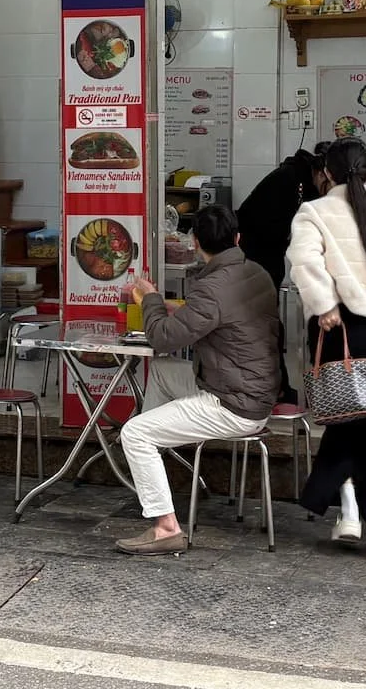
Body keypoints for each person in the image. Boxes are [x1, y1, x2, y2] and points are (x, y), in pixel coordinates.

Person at [111, 205, 282, 555]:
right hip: (255, 389)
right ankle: (152, 468)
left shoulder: (211, 287)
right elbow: (217, 318)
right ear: (237, 238)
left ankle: (165, 526)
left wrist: (150, 298)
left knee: (135, 432)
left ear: (195, 243)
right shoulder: (257, 273)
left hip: (233, 402)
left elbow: (161, 338)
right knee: (161, 370)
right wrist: (176, 311)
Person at [289, 138, 366, 564]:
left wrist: (324, 304)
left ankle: (344, 505)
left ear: (327, 172)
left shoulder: (314, 211)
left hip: (335, 329)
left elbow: (303, 261)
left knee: (342, 416)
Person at [233, 142, 330, 288]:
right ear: (322, 174)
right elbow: (267, 225)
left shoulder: (309, 184)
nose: (329, 190)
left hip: (272, 252)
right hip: (253, 251)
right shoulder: (288, 178)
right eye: (330, 184)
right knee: (258, 300)